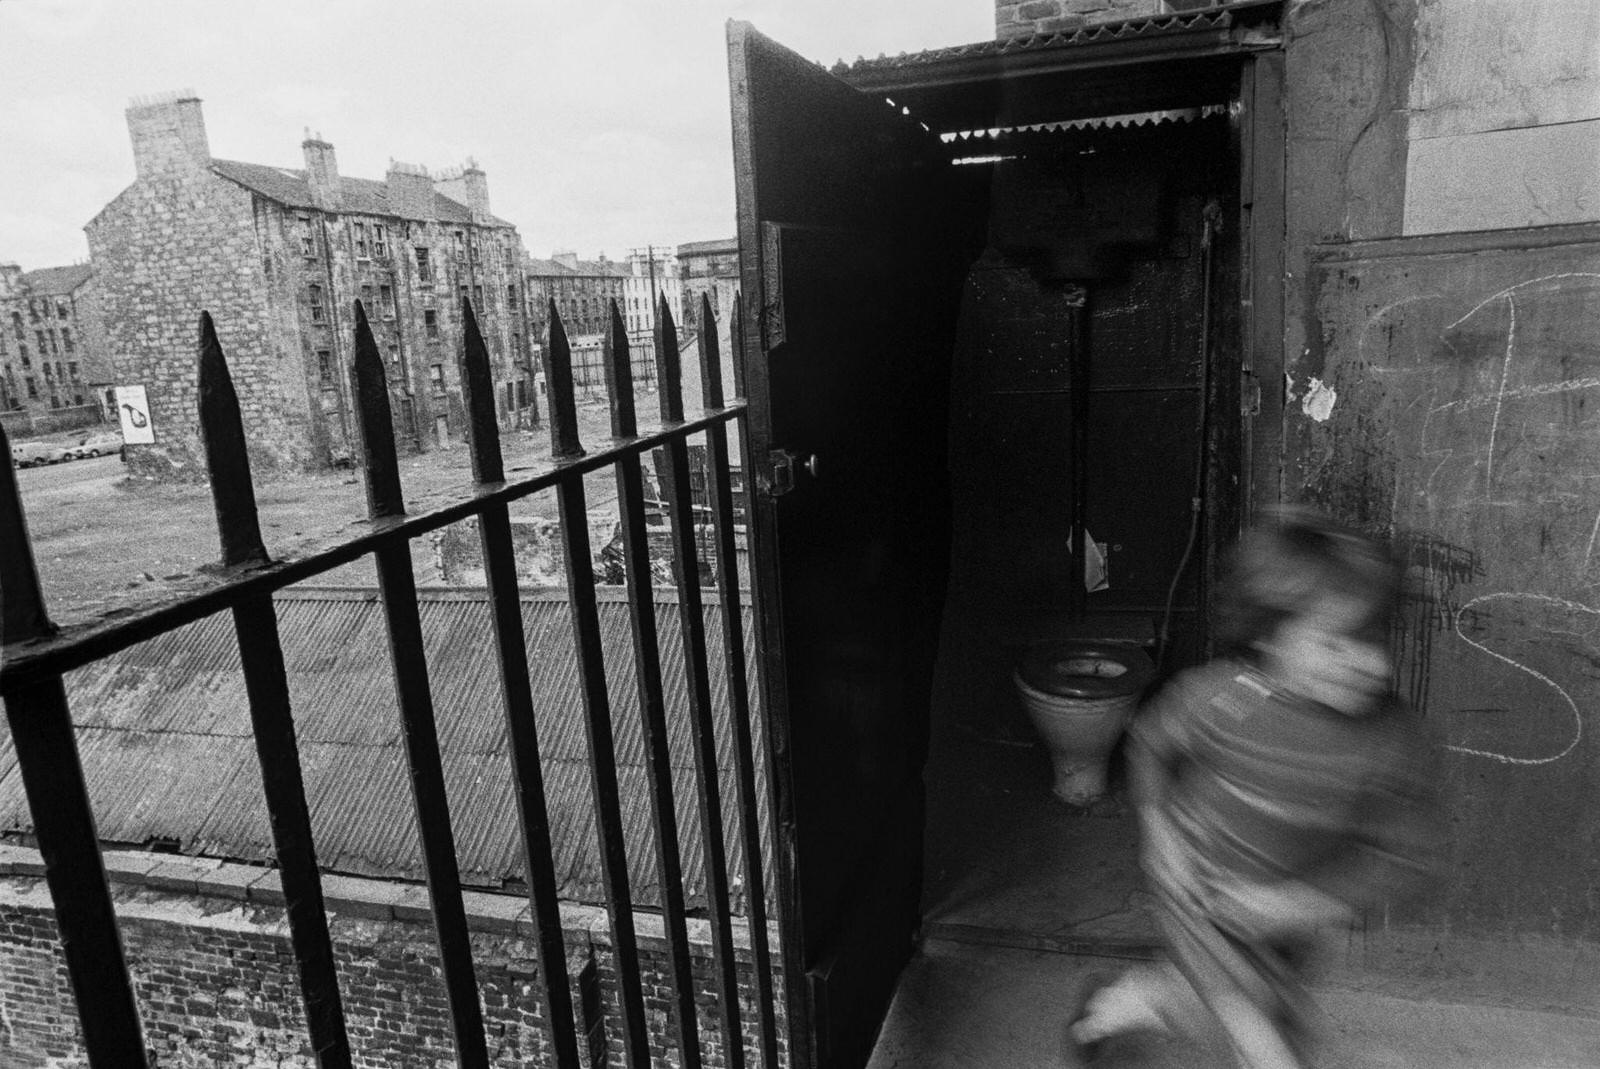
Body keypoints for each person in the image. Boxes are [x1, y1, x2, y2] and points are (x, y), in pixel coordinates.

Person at [1066, 509, 1440, 1068]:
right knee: (1264, 1041)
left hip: (1291, 913)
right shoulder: (1223, 698)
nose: (1371, 663)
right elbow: (1149, 743)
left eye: (1376, 637)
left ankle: (1120, 1006)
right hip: (1201, 891)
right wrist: (1159, 833)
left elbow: (1414, 860)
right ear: (1269, 639)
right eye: (1336, 644)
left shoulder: (1394, 738)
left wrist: (1296, 905)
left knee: (1263, 1010)